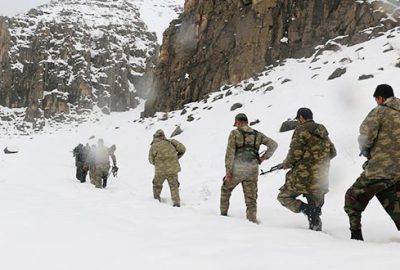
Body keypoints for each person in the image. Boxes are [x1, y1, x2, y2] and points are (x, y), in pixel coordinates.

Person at [344, 84, 400, 241]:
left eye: (376, 99)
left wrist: (365, 149)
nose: (376, 102)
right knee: (392, 199)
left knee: (352, 197)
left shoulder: (380, 111)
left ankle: (356, 237)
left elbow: (366, 136)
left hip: (381, 169)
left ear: (380, 98)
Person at [277, 108, 336, 231]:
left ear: (301, 118)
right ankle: (316, 232)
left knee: (283, 197)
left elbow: (295, 152)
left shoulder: (301, 129)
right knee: (315, 208)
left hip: (303, 176)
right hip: (321, 177)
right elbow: (333, 152)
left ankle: (307, 210)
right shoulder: (322, 132)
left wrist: (286, 164)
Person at [221, 113, 278, 223]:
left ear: (238, 122)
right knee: (251, 198)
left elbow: (230, 154)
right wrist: (263, 158)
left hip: (238, 168)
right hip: (253, 169)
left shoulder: (234, 133)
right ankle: (252, 221)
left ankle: (223, 216)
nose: (236, 125)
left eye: (236, 123)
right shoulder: (258, 134)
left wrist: (228, 172)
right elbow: (273, 145)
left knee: (225, 189)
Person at [149, 129, 186, 207]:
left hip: (160, 171)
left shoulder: (154, 145)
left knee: (157, 186)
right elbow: (183, 149)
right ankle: (176, 204)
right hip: (172, 169)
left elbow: (150, 159)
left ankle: (156, 201)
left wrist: (158, 164)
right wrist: (176, 158)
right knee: (174, 186)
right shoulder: (172, 142)